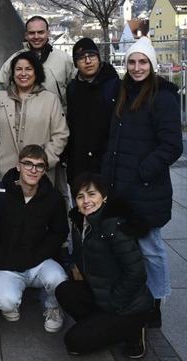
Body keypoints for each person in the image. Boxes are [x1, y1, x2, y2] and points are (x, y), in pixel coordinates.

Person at [102, 37, 183, 329]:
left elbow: (172, 145)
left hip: (146, 188)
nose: (137, 67)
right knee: (128, 247)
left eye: (143, 62)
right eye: (132, 62)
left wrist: (142, 171)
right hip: (121, 185)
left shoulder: (162, 96)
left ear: (152, 64)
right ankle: (136, 299)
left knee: (151, 247)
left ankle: (156, 304)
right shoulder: (123, 92)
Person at [55, 173, 152, 358]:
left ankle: (134, 330)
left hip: (127, 306)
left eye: (92, 194)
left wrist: (114, 302)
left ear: (104, 196)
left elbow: (137, 274)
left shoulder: (114, 227)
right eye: (80, 196)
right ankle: (102, 325)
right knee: (65, 290)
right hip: (102, 294)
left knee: (74, 342)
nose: (86, 201)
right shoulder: (80, 221)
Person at [0, 145, 68, 333]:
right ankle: (14, 298)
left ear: (44, 170)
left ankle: (53, 306)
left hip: (38, 262)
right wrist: (1, 259)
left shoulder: (53, 198)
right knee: (6, 302)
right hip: (7, 264)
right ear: (18, 166)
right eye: (28, 164)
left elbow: (59, 233)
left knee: (59, 280)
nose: (33, 169)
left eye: (39, 166)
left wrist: (37, 256)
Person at [0, 15, 75, 203]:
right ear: (26, 35)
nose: (36, 36)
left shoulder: (63, 60)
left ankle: (61, 230)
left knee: (57, 191)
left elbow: (74, 93)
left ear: (48, 33)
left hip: (54, 135)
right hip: (22, 135)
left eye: (41, 32)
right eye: (31, 33)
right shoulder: (14, 61)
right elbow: (3, 90)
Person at [0, 51, 69, 189]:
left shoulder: (50, 99)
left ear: (36, 72)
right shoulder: (0, 98)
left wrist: (45, 161)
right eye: (18, 69)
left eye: (28, 69)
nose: (23, 73)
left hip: (39, 174)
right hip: (5, 171)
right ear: (13, 73)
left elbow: (61, 134)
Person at [65, 38, 120, 183]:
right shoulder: (72, 89)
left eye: (92, 56)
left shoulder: (114, 86)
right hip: (79, 163)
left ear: (99, 59)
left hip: (106, 162)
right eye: (82, 58)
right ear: (76, 63)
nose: (88, 61)